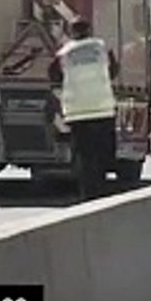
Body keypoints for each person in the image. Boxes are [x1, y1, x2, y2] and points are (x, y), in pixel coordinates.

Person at [49, 19, 120, 200]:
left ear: (71, 32)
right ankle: (101, 188)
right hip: (103, 109)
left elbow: (54, 75)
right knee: (102, 152)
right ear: (89, 30)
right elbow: (113, 71)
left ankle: (87, 191)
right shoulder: (102, 47)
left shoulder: (64, 53)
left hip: (78, 113)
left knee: (83, 154)